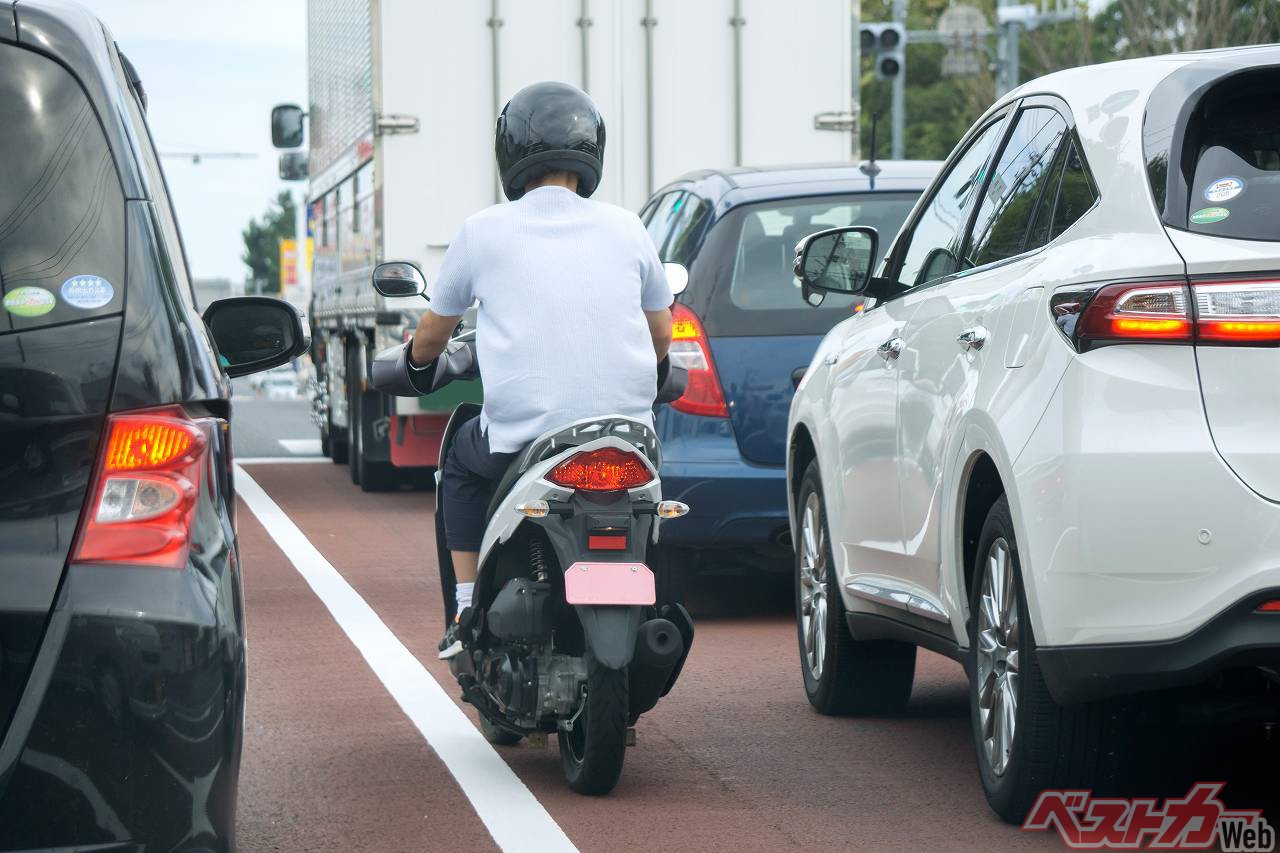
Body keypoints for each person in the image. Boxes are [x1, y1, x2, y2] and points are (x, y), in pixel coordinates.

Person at [407, 81, 674, 659]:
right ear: (591, 150)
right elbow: (661, 334)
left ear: (510, 153)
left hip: (523, 439)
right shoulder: (629, 227)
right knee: (650, 508)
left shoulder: (483, 231)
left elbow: (433, 334)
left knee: (459, 461)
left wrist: (415, 363)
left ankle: (466, 602)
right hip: (628, 438)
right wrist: (653, 374)